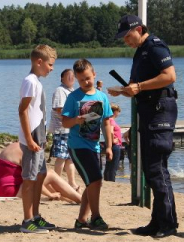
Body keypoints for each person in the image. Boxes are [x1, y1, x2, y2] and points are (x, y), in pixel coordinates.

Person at [109, 15, 179, 237]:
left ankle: (168, 224)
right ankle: (157, 222)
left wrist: (138, 87)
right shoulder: (141, 51)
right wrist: (126, 90)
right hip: (150, 113)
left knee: (157, 170)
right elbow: (141, 86)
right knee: (151, 171)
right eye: (123, 38)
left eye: (128, 36)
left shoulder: (156, 47)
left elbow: (169, 76)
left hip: (160, 112)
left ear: (139, 29)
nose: (126, 41)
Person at [62, 58, 113, 230]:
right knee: (96, 180)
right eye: (81, 79)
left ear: (94, 74)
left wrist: (109, 146)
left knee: (92, 183)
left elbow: (106, 123)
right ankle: (96, 217)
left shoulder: (101, 97)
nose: (85, 82)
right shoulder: (73, 97)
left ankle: (81, 220)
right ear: (76, 78)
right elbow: (65, 122)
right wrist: (76, 120)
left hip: (95, 146)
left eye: (88, 78)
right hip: (77, 146)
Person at [17, 44, 57, 234]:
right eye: (50, 64)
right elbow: (22, 110)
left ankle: (36, 216)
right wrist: (29, 139)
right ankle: (27, 220)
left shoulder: (37, 82)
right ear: (39, 62)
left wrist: (42, 137)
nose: (52, 68)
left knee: (40, 176)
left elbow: (37, 111)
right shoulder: (30, 81)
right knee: (30, 179)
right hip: (32, 136)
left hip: (38, 135)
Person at [0, 142, 81, 203]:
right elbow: (33, 179)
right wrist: (50, 194)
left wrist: (53, 194)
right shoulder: (25, 151)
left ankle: (68, 197)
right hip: (9, 191)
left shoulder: (15, 146)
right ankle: (80, 199)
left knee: (45, 175)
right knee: (51, 174)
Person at [49, 69, 79, 191]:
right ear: (62, 78)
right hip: (61, 129)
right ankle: (57, 182)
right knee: (61, 156)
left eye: (73, 76)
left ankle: (72, 183)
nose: (71, 78)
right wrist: (75, 117)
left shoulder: (72, 92)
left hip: (71, 129)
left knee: (70, 158)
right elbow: (59, 109)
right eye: (68, 76)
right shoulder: (60, 90)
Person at [104, 103, 123, 182]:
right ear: (115, 111)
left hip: (111, 145)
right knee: (113, 166)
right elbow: (111, 131)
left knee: (109, 165)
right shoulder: (111, 120)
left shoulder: (109, 120)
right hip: (115, 145)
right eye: (118, 111)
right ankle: (112, 180)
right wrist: (113, 140)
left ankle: (107, 180)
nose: (118, 113)